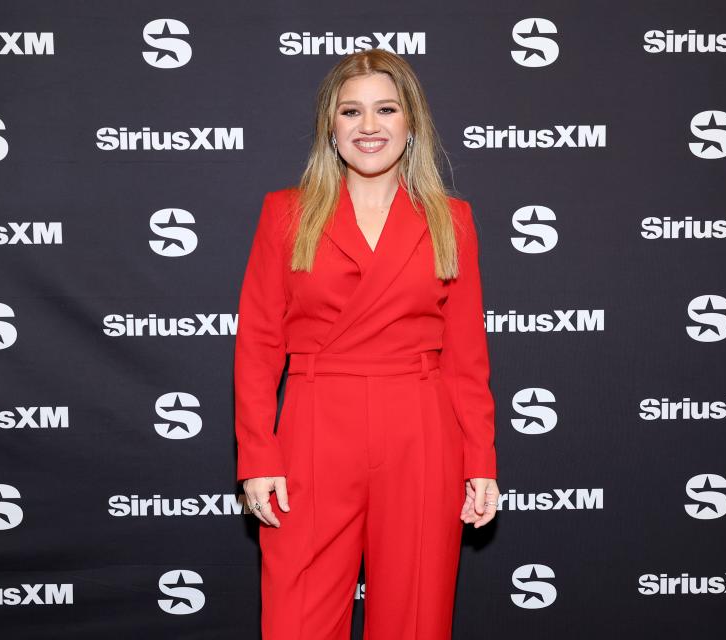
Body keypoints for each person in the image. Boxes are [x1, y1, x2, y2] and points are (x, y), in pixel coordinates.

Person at [234, 48, 499, 640]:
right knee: (295, 618)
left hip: (422, 428)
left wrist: (480, 459)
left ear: (412, 123)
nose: (369, 126)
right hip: (314, 425)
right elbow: (256, 343)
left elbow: (466, 354)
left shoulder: (450, 221)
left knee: (415, 617)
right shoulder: (286, 214)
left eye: (386, 109)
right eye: (351, 112)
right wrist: (258, 456)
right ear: (332, 126)